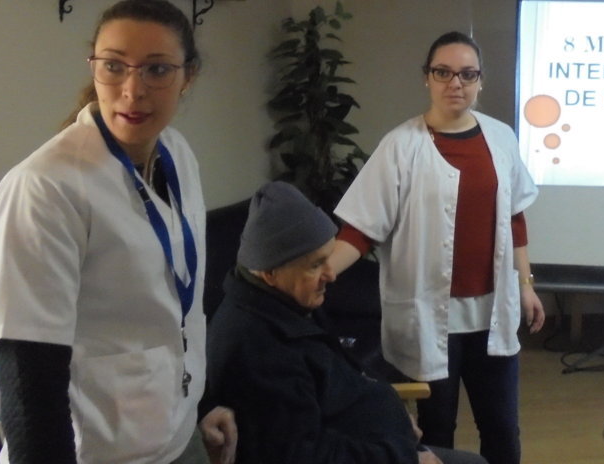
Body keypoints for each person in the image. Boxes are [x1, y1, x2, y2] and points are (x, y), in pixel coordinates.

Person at [0, 0, 237, 464]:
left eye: (157, 70)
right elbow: (28, 374)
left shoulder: (177, 155)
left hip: (178, 438)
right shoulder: (45, 189)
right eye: (114, 66)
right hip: (99, 454)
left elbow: (173, 313)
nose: (132, 90)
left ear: (188, 76)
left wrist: (198, 408)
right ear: (94, 67)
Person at [330, 31, 544, 464]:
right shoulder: (400, 145)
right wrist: (321, 273)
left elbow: (514, 218)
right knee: (436, 432)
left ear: (481, 80)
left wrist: (526, 284)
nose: (455, 83)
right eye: (443, 72)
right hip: (429, 318)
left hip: (492, 315)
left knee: (503, 431)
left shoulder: (501, 138)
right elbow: (361, 229)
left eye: (467, 74)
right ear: (426, 77)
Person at [206, 180, 487, 464]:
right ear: (270, 273)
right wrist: (406, 458)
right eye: (316, 265)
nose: (331, 274)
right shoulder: (258, 352)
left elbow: (343, 373)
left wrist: (395, 414)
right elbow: (307, 457)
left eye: (327, 259)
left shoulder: (287, 304)